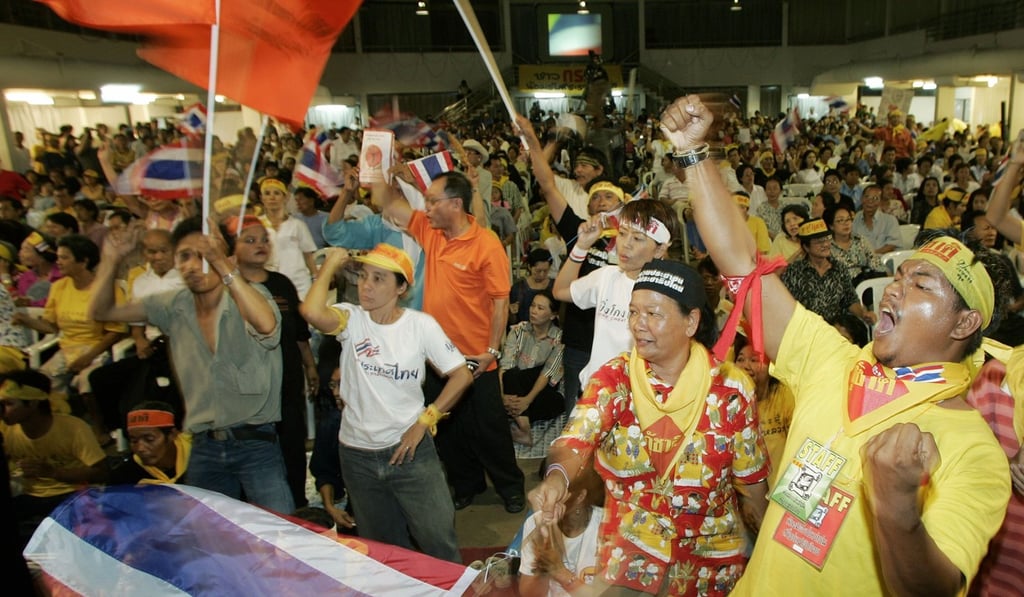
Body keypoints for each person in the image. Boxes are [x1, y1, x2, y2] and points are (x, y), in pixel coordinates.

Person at [661, 93, 1009, 595]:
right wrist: (694, 154)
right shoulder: (834, 359)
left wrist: (897, 511)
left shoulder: (975, 453)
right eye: (899, 275)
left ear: (964, 324)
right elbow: (740, 263)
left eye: (922, 285)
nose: (894, 287)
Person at [529, 259, 768, 595]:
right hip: (632, 559)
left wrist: (766, 554)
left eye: (653, 314)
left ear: (691, 321)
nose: (638, 325)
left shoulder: (731, 390)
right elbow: (575, 438)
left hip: (711, 564)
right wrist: (555, 479)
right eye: (633, 312)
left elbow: (752, 484)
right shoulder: (615, 379)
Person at [89, 216, 294, 514]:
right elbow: (101, 310)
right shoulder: (174, 304)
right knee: (206, 540)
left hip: (255, 442)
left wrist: (223, 264)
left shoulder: (249, 296)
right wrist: (111, 259)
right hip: (203, 444)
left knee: (280, 537)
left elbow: (266, 326)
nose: (191, 266)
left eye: (202, 256)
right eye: (184, 256)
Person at [300, 244, 472, 562]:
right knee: (384, 549)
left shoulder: (421, 326)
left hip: (410, 453)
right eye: (364, 276)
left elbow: (461, 375)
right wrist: (330, 265)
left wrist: (426, 420)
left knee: (438, 539)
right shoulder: (350, 319)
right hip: (357, 456)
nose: (367, 285)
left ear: (401, 287)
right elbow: (311, 312)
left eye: (379, 279)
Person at [374, 172, 526, 513]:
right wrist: (381, 169)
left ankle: (511, 487)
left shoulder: (487, 244)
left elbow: (501, 303)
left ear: (455, 204)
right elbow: (390, 205)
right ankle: (465, 485)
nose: (425, 208)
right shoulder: (431, 232)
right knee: (449, 428)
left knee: (489, 429)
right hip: (435, 358)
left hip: (476, 358)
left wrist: (491, 352)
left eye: (432, 201)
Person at [225, 215, 318, 509]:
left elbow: (299, 332)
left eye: (264, 239)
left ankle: (298, 509)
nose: (260, 245)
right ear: (232, 249)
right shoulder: (225, 289)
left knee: (291, 448)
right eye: (249, 240)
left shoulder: (282, 284)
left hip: (287, 385)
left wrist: (309, 366)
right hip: (246, 394)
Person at [553, 199, 679, 399]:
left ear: (660, 249)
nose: (625, 244)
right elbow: (560, 291)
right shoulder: (606, 276)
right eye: (622, 233)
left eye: (638, 238)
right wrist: (581, 246)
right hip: (592, 396)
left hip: (638, 402)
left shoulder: (670, 293)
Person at [1, 369, 107, 544]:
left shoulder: (73, 428)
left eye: (8, 404)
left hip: (72, 494)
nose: (3, 411)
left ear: (33, 404)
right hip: (33, 496)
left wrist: (53, 472)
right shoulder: (6, 430)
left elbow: (101, 473)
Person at [519, 466, 604, 597]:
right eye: (544, 494)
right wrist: (543, 563)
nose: (547, 503)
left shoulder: (608, 529)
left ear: (580, 496)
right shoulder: (537, 523)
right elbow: (529, 594)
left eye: (555, 494)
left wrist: (559, 571)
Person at [780, 218, 877, 324]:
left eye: (826, 239)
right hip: (807, 330)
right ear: (806, 247)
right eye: (819, 242)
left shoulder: (839, 268)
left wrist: (864, 314)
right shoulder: (794, 272)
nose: (825, 244)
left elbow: (850, 300)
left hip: (836, 329)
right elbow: (787, 306)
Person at [502, 290, 565, 446]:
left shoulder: (559, 338)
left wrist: (527, 401)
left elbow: (547, 373)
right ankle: (524, 429)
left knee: (557, 402)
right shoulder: (518, 330)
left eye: (540, 308)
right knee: (510, 376)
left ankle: (514, 414)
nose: (533, 311)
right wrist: (502, 396)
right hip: (513, 385)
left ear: (552, 315)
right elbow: (504, 367)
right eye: (532, 306)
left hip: (541, 389)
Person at [259, 178, 317, 300]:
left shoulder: (297, 225)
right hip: (267, 283)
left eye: (277, 193)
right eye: (267, 193)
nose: (272, 197)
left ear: (285, 198)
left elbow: (309, 256)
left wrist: (316, 278)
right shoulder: (256, 225)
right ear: (262, 198)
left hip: (299, 284)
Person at [109, 401, 190, 485]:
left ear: (172, 435)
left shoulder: (199, 458)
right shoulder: (124, 477)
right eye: (134, 441)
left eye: (149, 439)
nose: (140, 448)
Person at [510, 248, 554, 326]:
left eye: (545, 271)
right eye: (538, 271)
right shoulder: (518, 288)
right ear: (529, 267)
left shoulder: (555, 287)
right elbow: (512, 321)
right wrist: (511, 312)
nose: (542, 275)